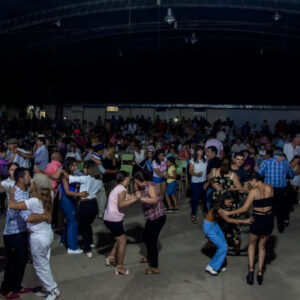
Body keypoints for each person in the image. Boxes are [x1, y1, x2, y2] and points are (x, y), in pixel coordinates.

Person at [0, 168, 51, 300]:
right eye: (28, 176)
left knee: (21, 261)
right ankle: (5, 289)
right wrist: (45, 216)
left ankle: (17, 286)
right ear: (21, 179)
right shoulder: (17, 194)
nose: (30, 178)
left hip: (22, 231)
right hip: (13, 233)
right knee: (12, 263)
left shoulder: (26, 190)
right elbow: (27, 217)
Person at [8, 174, 60, 300]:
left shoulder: (33, 201)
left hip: (38, 237)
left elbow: (12, 205)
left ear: (36, 186)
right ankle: (45, 288)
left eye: (32, 182)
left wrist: (11, 194)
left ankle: (53, 290)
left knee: (40, 266)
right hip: (47, 234)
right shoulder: (50, 195)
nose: (29, 183)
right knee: (44, 263)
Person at [222, 173, 274, 285]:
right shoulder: (270, 187)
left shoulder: (253, 192)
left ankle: (251, 271)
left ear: (253, 180)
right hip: (268, 219)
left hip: (258, 220)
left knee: (252, 244)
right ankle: (260, 273)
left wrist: (229, 212)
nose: (250, 184)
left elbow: (244, 209)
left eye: (250, 182)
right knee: (263, 247)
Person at [203, 191, 253, 275]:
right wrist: (245, 221)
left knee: (223, 244)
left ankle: (218, 265)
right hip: (209, 227)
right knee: (223, 247)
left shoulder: (220, 203)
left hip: (215, 225)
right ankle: (211, 266)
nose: (230, 204)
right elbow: (228, 220)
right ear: (225, 199)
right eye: (230, 202)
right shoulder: (219, 208)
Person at [62, 160, 102, 258]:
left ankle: (88, 249)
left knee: (83, 227)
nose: (82, 169)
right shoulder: (99, 179)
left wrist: (62, 171)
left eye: (84, 167)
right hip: (94, 204)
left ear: (88, 169)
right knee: (88, 224)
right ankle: (91, 242)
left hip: (85, 204)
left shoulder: (86, 178)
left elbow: (69, 177)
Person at [103, 171, 138, 275]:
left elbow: (128, 197)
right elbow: (122, 203)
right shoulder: (121, 189)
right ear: (126, 178)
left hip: (110, 218)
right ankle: (120, 267)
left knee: (119, 238)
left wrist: (134, 196)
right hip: (114, 219)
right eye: (129, 178)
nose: (130, 180)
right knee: (123, 241)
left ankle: (111, 257)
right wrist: (135, 199)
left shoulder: (117, 187)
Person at [134, 171, 166, 275]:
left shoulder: (150, 186)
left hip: (157, 217)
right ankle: (150, 257)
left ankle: (154, 267)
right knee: (145, 237)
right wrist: (136, 189)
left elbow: (154, 200)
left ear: (143, 181)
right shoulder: (142, 185)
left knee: (151, 242)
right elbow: (136, 188)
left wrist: (140, 198)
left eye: (137, 182)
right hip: (151, 217)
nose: (136, 184)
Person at [257, 150, 294, 233]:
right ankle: (281, 228)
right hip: (280, 190)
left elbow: (258, 173)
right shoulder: (285, 162)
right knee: (280, 209)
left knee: (267, 208)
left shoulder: (267, 162)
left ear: (273, 154)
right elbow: (291, 175)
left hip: (268, 189)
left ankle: (266, 228)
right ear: (281, 155)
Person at [60, 157, 88, 254]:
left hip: (70, 199)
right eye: (74, 165)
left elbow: (73, 186)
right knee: (73, 222)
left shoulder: (70, 174)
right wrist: (80, 194)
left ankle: (63, 241)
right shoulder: (64, 176)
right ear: (68, 166)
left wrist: (79, 186)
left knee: (69, 221)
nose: (76, 167)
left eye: (76, 165)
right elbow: (67, 191)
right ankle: (72, 248)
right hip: (66, 199)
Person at [189, 146, 207, 223]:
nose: (201, 152)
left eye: (202, 150)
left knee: (205, 199)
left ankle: (205, 212)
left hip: (204, 181)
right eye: (199, 150)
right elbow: (190, 171)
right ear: (196, 152)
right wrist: (197, 174)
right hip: (195, 182)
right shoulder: (193, 161)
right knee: (195, 199)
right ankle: (193, 214)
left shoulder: (206, 159)